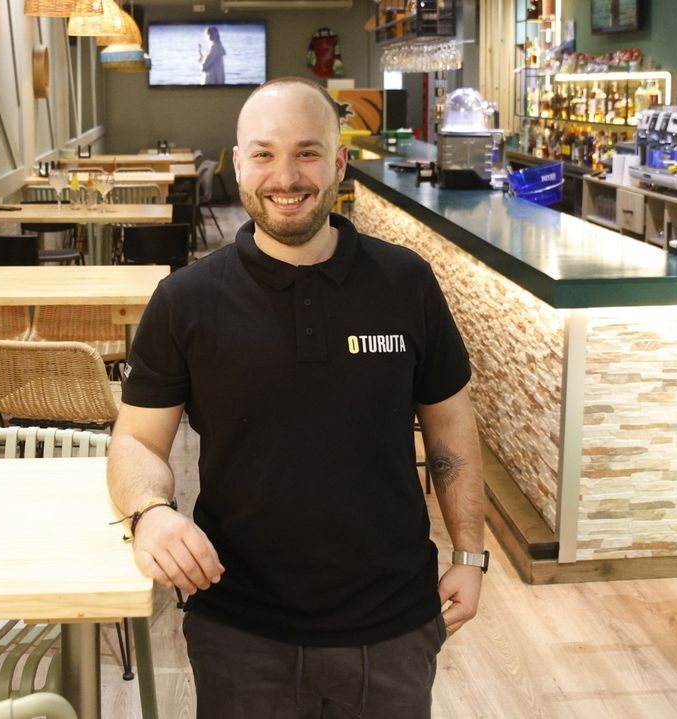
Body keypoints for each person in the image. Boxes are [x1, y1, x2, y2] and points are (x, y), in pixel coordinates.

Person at [108, 76, 485, 718]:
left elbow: (452, 431)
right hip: (239, 626)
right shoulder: (186, 301)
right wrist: (151, 512)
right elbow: (136, 442)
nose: (286, 176)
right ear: (237, 164)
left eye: (308, 152)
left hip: (393, 625)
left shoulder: (406, 282)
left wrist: (470, 553)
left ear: (340, 162)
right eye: (264, 154)